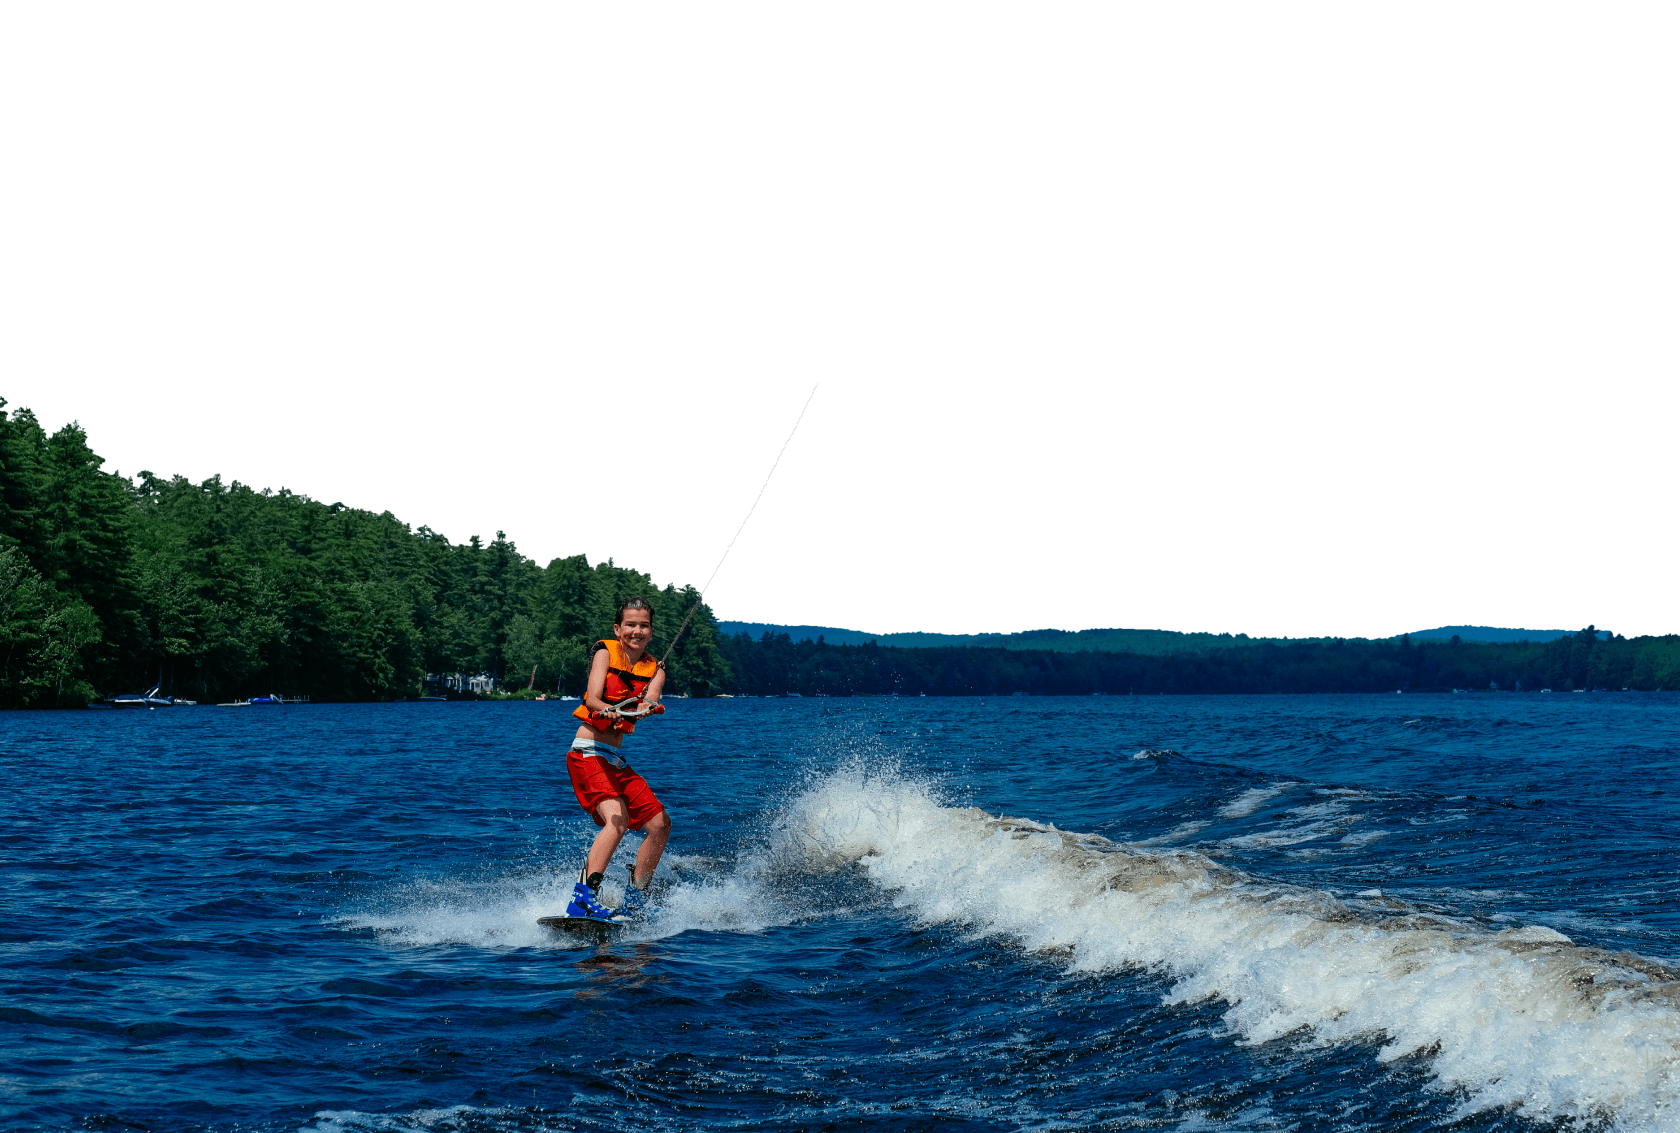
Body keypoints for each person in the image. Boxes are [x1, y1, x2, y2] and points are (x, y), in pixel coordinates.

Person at [562, 598, 671, 921]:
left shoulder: (655, 668)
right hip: (587, 752)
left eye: (644, 625)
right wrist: (604, 708)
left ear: (651, 631)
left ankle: (635, 899)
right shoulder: (604, 652)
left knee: (660, 824)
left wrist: (648, 707)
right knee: (617, 820)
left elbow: (650, 699)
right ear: (617, 628)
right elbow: (592, 697)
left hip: (615, 759)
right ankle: (582, 900)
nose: (637, 631)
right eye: (630, 625)